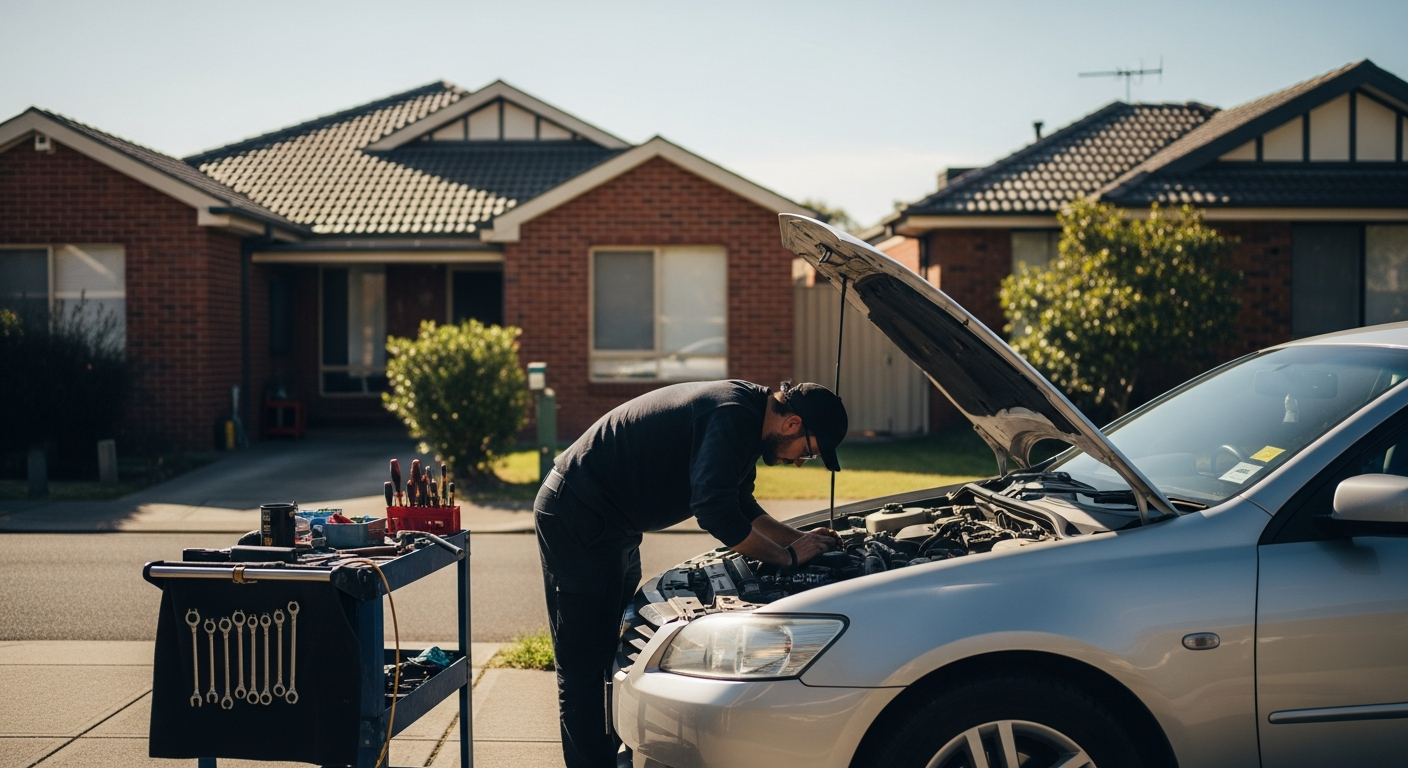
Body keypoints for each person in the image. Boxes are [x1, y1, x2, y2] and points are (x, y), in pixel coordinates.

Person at [535, 380, 849, 768]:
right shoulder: (732, 415)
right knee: (584, 663)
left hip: (613, 524)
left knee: (610, 652)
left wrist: (800, 540)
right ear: (792, 424)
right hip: (578, 513)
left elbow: (740, 504)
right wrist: (787, 557)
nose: (801, 462)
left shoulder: (748, 418)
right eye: (809, 452)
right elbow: (715, 510)